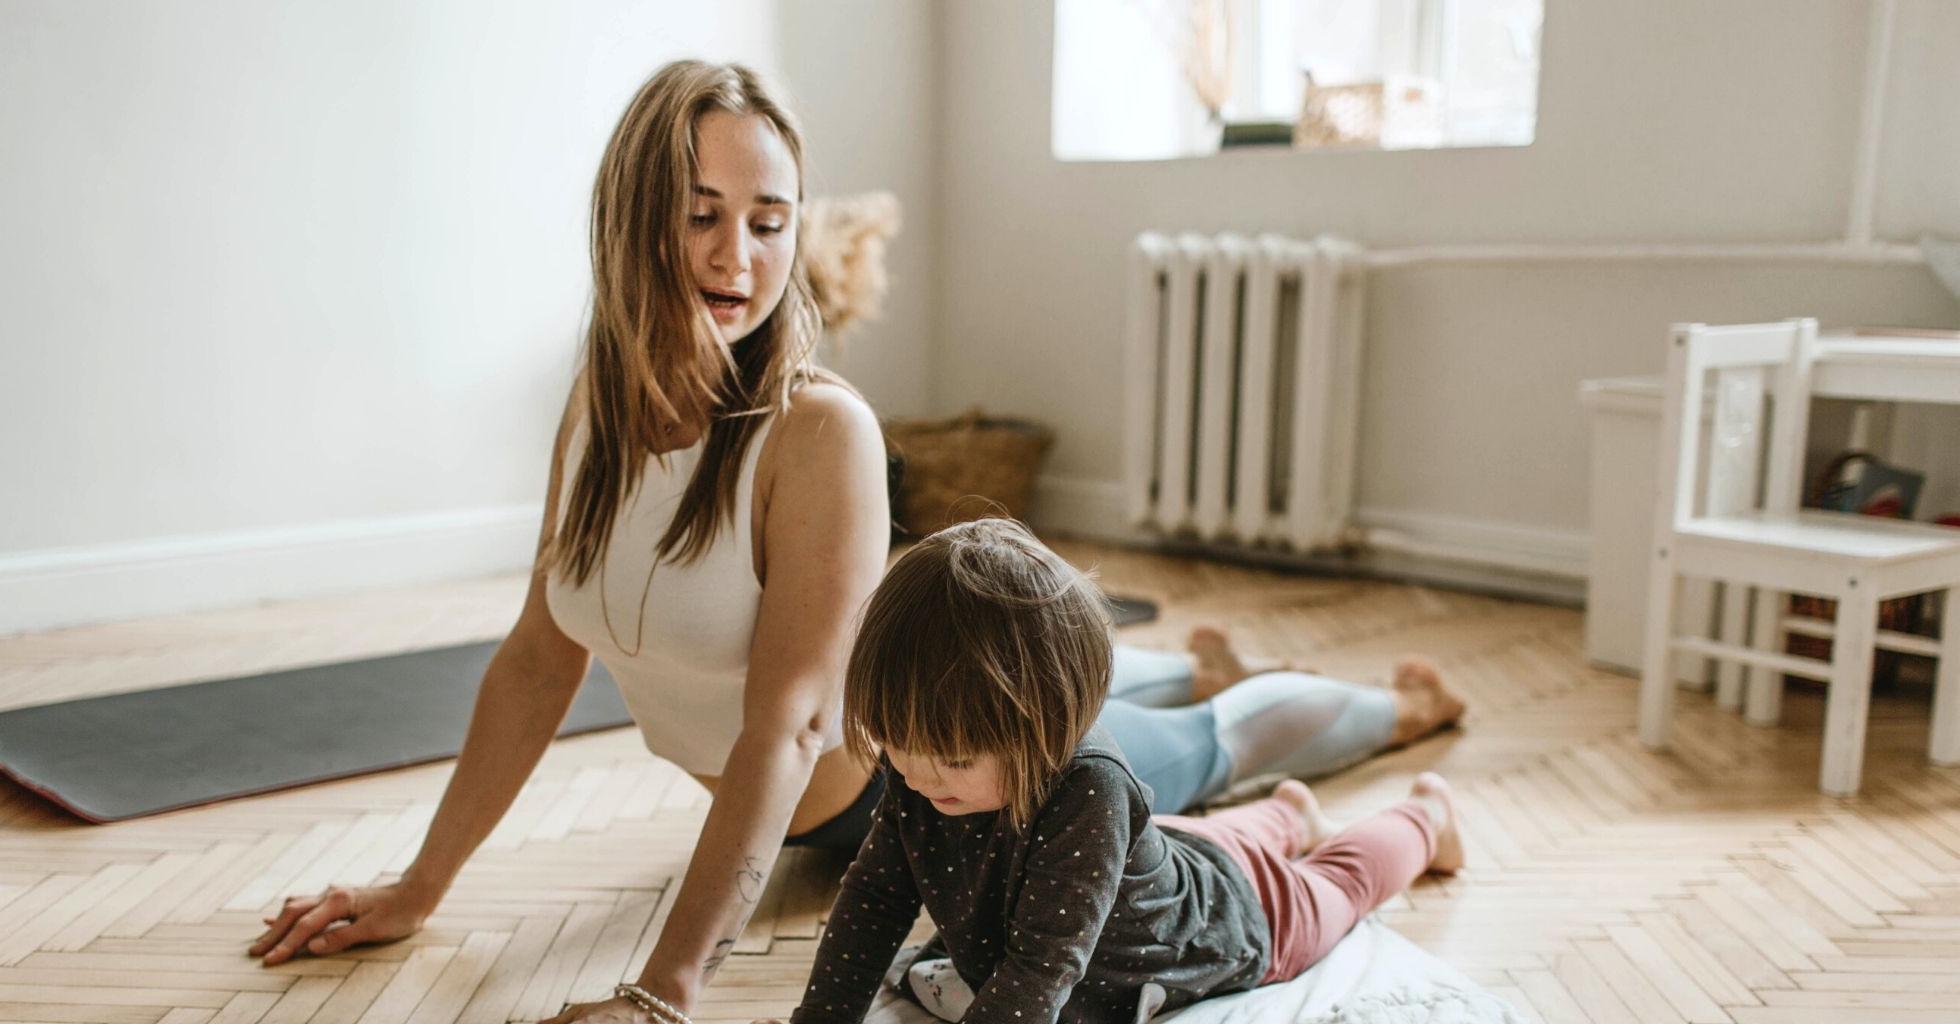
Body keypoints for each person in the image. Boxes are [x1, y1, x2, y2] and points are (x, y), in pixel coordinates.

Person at [245, 60, 1464, 1024]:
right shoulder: (595, 409)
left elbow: (786, 727)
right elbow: (533, 659)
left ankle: (1391, 715)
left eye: (769, 222)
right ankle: (1189, 672)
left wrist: (663, 990)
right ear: (629, 221)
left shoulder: (816, 432)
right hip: (893, 763)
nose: (740, 256)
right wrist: (418, 889)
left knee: (1198, 748)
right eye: (702, 215)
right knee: (1164, 728)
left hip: (926, 787)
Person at [780, 519, 1463, 1024]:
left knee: (1337, 883)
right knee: (1214, 843)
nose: (920, 778)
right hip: (1161, 857)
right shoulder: (926, 764)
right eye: (900, 746)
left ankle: (1425, 818)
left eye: (954, 760)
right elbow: (874, 899)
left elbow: (1041, 970)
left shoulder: (1090, 791)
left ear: (1046, 728)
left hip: (1226, 923)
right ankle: (1290, 813)